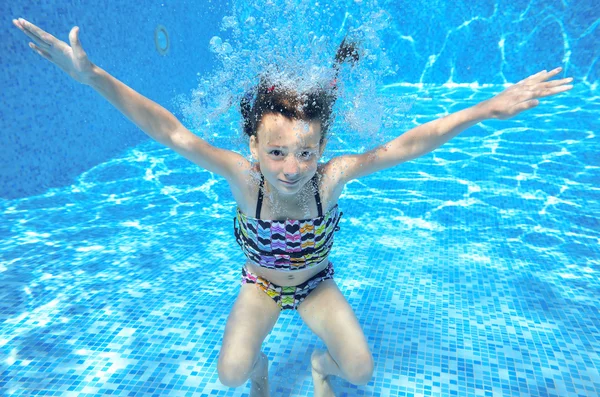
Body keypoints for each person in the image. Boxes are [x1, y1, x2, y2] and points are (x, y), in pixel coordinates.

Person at [12, 17, 573, 397]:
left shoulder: (331, 179)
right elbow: (170, 131)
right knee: (231, 375)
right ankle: (259, 365)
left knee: (360, 369)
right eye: (276, 151)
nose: (290, 167)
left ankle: (316, 368)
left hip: (314, 284)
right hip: (259, 286)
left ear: (321, 149)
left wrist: (482, 110)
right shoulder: (242, 176)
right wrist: (93, 77)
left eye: (305, 152)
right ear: (253, 146)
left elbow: (408, 143)